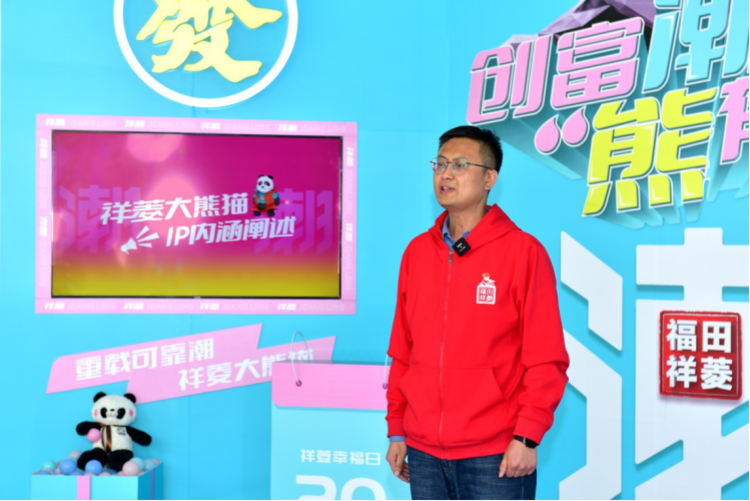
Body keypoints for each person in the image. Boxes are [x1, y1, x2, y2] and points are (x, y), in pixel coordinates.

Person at [384, 126, 569, 500]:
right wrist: (397, 430)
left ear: (489, 179)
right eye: (440, 164)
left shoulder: (523, 252)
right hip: (423, 453)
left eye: (459, 165)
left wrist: (527, 437)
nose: (446, 174)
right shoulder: (416, 253)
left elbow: (546, 359)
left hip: (496, 455)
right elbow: (403, 352)